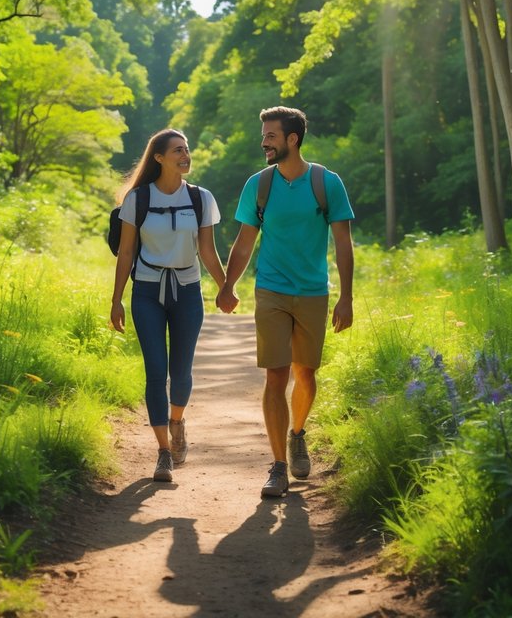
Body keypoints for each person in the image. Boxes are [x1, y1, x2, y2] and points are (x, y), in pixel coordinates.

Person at [216, 106, 355, 498]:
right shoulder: (259, 185)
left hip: (313, 291)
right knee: (276, 375)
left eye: (271, 136)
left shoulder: (326, 183)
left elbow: (343, 242)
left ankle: (297, 434)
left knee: (305, 373)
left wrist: (346, 297)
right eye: (264, 135)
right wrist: (228, 285)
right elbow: (245, 242)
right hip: (272, 290)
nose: (264, 142)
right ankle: (277, 465)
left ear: (292, 139)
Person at [111, 128, 226, 483]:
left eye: (187, 149)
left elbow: (207, 250)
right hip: (146, 291)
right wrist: (116, 300)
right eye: (178, 150)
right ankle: (163, 452)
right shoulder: (138, 199)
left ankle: (177, 422)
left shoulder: (201, 198)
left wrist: (226, 287)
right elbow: (127, 252)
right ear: (159, 158)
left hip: (187, 291)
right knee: (155, 371)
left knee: (182, 372)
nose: (185, 154)